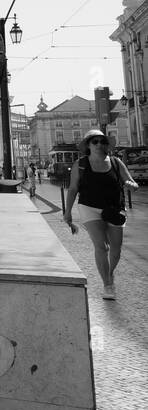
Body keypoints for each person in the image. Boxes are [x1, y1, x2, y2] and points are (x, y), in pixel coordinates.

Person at [64, 128, 138, 300]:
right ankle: (107, 285)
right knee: (101, 246)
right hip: (89, 207)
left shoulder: (115, 162)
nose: (99, 144)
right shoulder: (80, 164)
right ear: (88, 145)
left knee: (116, 249)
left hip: (114, 209)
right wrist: (67, 212)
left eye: (103, 141)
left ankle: (110, 273)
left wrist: (130, 185)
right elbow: (73, 188)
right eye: (95, 141)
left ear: (107, 145)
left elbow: (132, 183)